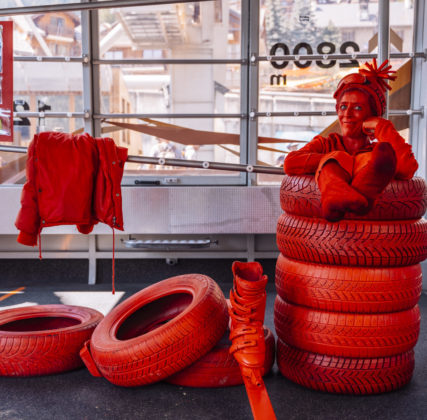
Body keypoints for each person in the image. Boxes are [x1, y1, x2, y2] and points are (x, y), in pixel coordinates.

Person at [283, 59, 418, 222]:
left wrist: (382, 126)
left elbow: (406, 169)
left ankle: (361, 195)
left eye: (358, 108)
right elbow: (290, 163)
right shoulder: (325, 144)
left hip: (372, 232)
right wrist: (338, 160)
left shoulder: (377, 155)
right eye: (343, 107)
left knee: (372, 160)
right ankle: (336, 198)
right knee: (336, 159)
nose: (347, 114)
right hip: (325, 233)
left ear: (372, 114)